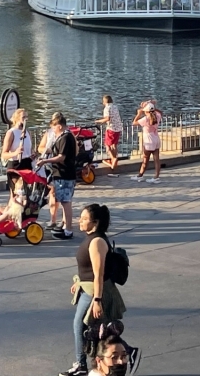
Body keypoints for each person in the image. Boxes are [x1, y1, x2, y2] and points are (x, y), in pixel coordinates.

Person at [63, 204, 125, 376]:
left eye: (84, 219)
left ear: (95, 222)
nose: (79, 221)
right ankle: (123, 354)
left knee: (80, 326)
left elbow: (98, 274)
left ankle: (81, 365)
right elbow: (87, 268)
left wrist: (97, 300)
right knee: (101, 330)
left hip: (94, 292)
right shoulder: (91, 238)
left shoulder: (97, 242)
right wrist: (80, 282)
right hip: (88, 288)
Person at [41, 112, 78, 240]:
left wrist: (45, 161)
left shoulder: (65, 137)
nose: (53, 130)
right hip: (62, 174)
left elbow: (61, 157)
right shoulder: (63, 137)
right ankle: (65, 227)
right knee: (64, 201)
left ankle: (68, 230)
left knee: (65, 202)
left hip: (65, 174)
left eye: (54, 127)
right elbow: (57, 151)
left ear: (60, 126)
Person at [131, 102, 161, 183]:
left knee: (145, 159)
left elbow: (134, 123)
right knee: (156, 160)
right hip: (156, 139)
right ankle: (156, 177)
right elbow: (160, 112)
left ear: (146, 111)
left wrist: (138, 114)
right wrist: (152, 105)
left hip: (148, 140)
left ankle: (140, 175)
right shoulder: (157, 116)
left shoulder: (145, 119)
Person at [96, 95, 123, 176]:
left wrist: (99, 121)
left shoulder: (107, 108)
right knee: (114, 145)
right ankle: (114, 160)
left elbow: (107, 118)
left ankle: (113, 158)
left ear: (104, 101)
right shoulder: (115, 107)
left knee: (107, 145)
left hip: (111, 129)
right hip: (118, 128)